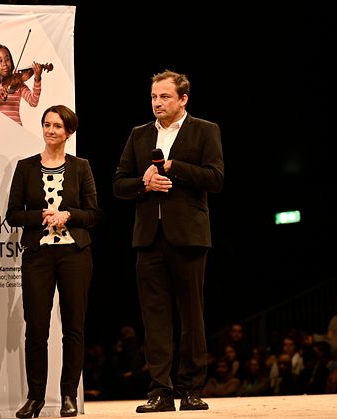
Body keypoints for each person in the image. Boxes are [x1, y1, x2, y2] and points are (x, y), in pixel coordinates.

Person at [112, 69, 224, 413]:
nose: (157, 103)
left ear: (183, 99)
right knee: (155, 317)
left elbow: (216, 179)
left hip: (188, 236)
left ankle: (191, 388)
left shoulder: (205, 130)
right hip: (149, 238)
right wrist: (143, 184)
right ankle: (160, 390)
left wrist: (173, 166)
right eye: (153, 97)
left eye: (164, 97)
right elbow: (119, 184)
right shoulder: (139, 134)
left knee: (192, 316)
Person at [6, 105, 100, 418]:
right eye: (46, 125)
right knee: (36, 328)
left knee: (73, 326)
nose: (50, 131)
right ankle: (35, 397)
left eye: (57, 126)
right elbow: (13, 214)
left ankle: (69, 396)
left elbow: (93, 214)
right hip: (38, 255)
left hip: (74, 253)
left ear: (68, 132)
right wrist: (41, 217)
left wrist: (69, 215)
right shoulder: (26, 167)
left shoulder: (81, 167)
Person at [0, 44, 42, 126]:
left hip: (15, 128)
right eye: (0, 61)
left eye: (7, 59)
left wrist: (37, 79)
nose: (5, 64)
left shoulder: (18, 84)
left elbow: (33, 102)